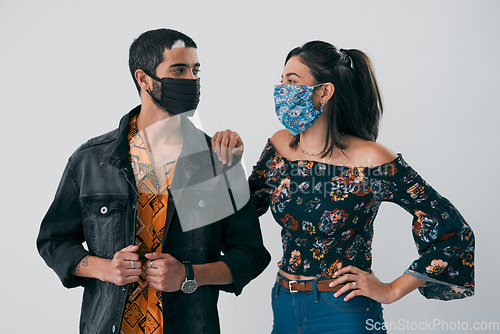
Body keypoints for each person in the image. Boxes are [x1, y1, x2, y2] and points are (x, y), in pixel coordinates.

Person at [213, 40, 475, 333]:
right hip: (284, 302)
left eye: (292, 81)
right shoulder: (280, 145)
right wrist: (229, 166)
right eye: (281, 80)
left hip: (344, 309)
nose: (281, 90)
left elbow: (454, 232)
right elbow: (243, 211)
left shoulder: (372, 159)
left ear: (324, 91)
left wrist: (391, 290)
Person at [37, 28, 270, 334]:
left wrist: (189, 274)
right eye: (178, 69)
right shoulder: (93, 161)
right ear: (143, 79)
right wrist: (105, 269)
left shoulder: (213, 163)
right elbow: (53, 241)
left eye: (195, 70)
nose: (191, 79)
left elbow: (249, 255)